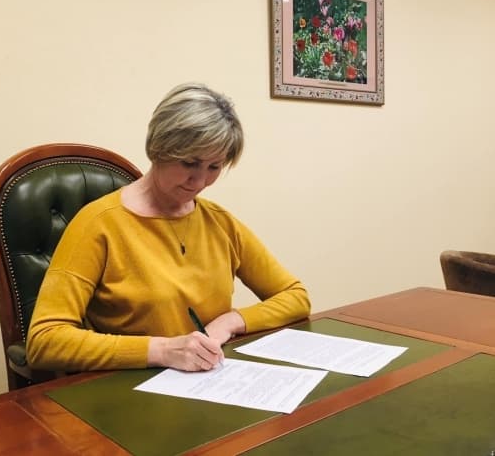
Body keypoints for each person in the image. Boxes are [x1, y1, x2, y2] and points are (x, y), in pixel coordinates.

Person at [26, 82, 311, 373]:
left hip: (208, 380)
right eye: (189, 163)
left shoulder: (220, 222)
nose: (200, 181)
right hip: (128, 386)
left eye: (214, 167)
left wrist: (230, 322)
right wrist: (162, 350)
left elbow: (295, 297)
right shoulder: (97, 224)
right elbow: (44, 341)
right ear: (159, 149)